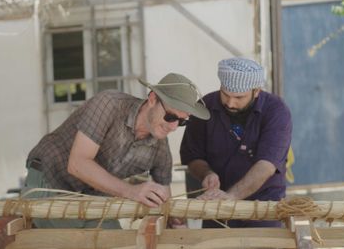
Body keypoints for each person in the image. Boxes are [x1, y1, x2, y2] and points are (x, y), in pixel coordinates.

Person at [24, 73, 210, 229]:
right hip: (48, 181)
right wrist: (131, 191)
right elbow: (78, 164)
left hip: (93, 200)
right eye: (170, 116)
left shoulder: (160, 145)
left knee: (119, 241)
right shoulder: (109, 104)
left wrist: (175, 218)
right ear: (152, 99)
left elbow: (164, 193)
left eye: (182, 121)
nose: (173, 127)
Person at [180, 57, 292, 228]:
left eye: (239, 97)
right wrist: (207, 174)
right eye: (225, 95)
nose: (230, 103)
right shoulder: (205, 106)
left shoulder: (276, 111)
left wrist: (231, 197)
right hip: (216, 209)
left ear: (256, 91)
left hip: (263, 210)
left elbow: (266, 165)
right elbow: (193, 155)